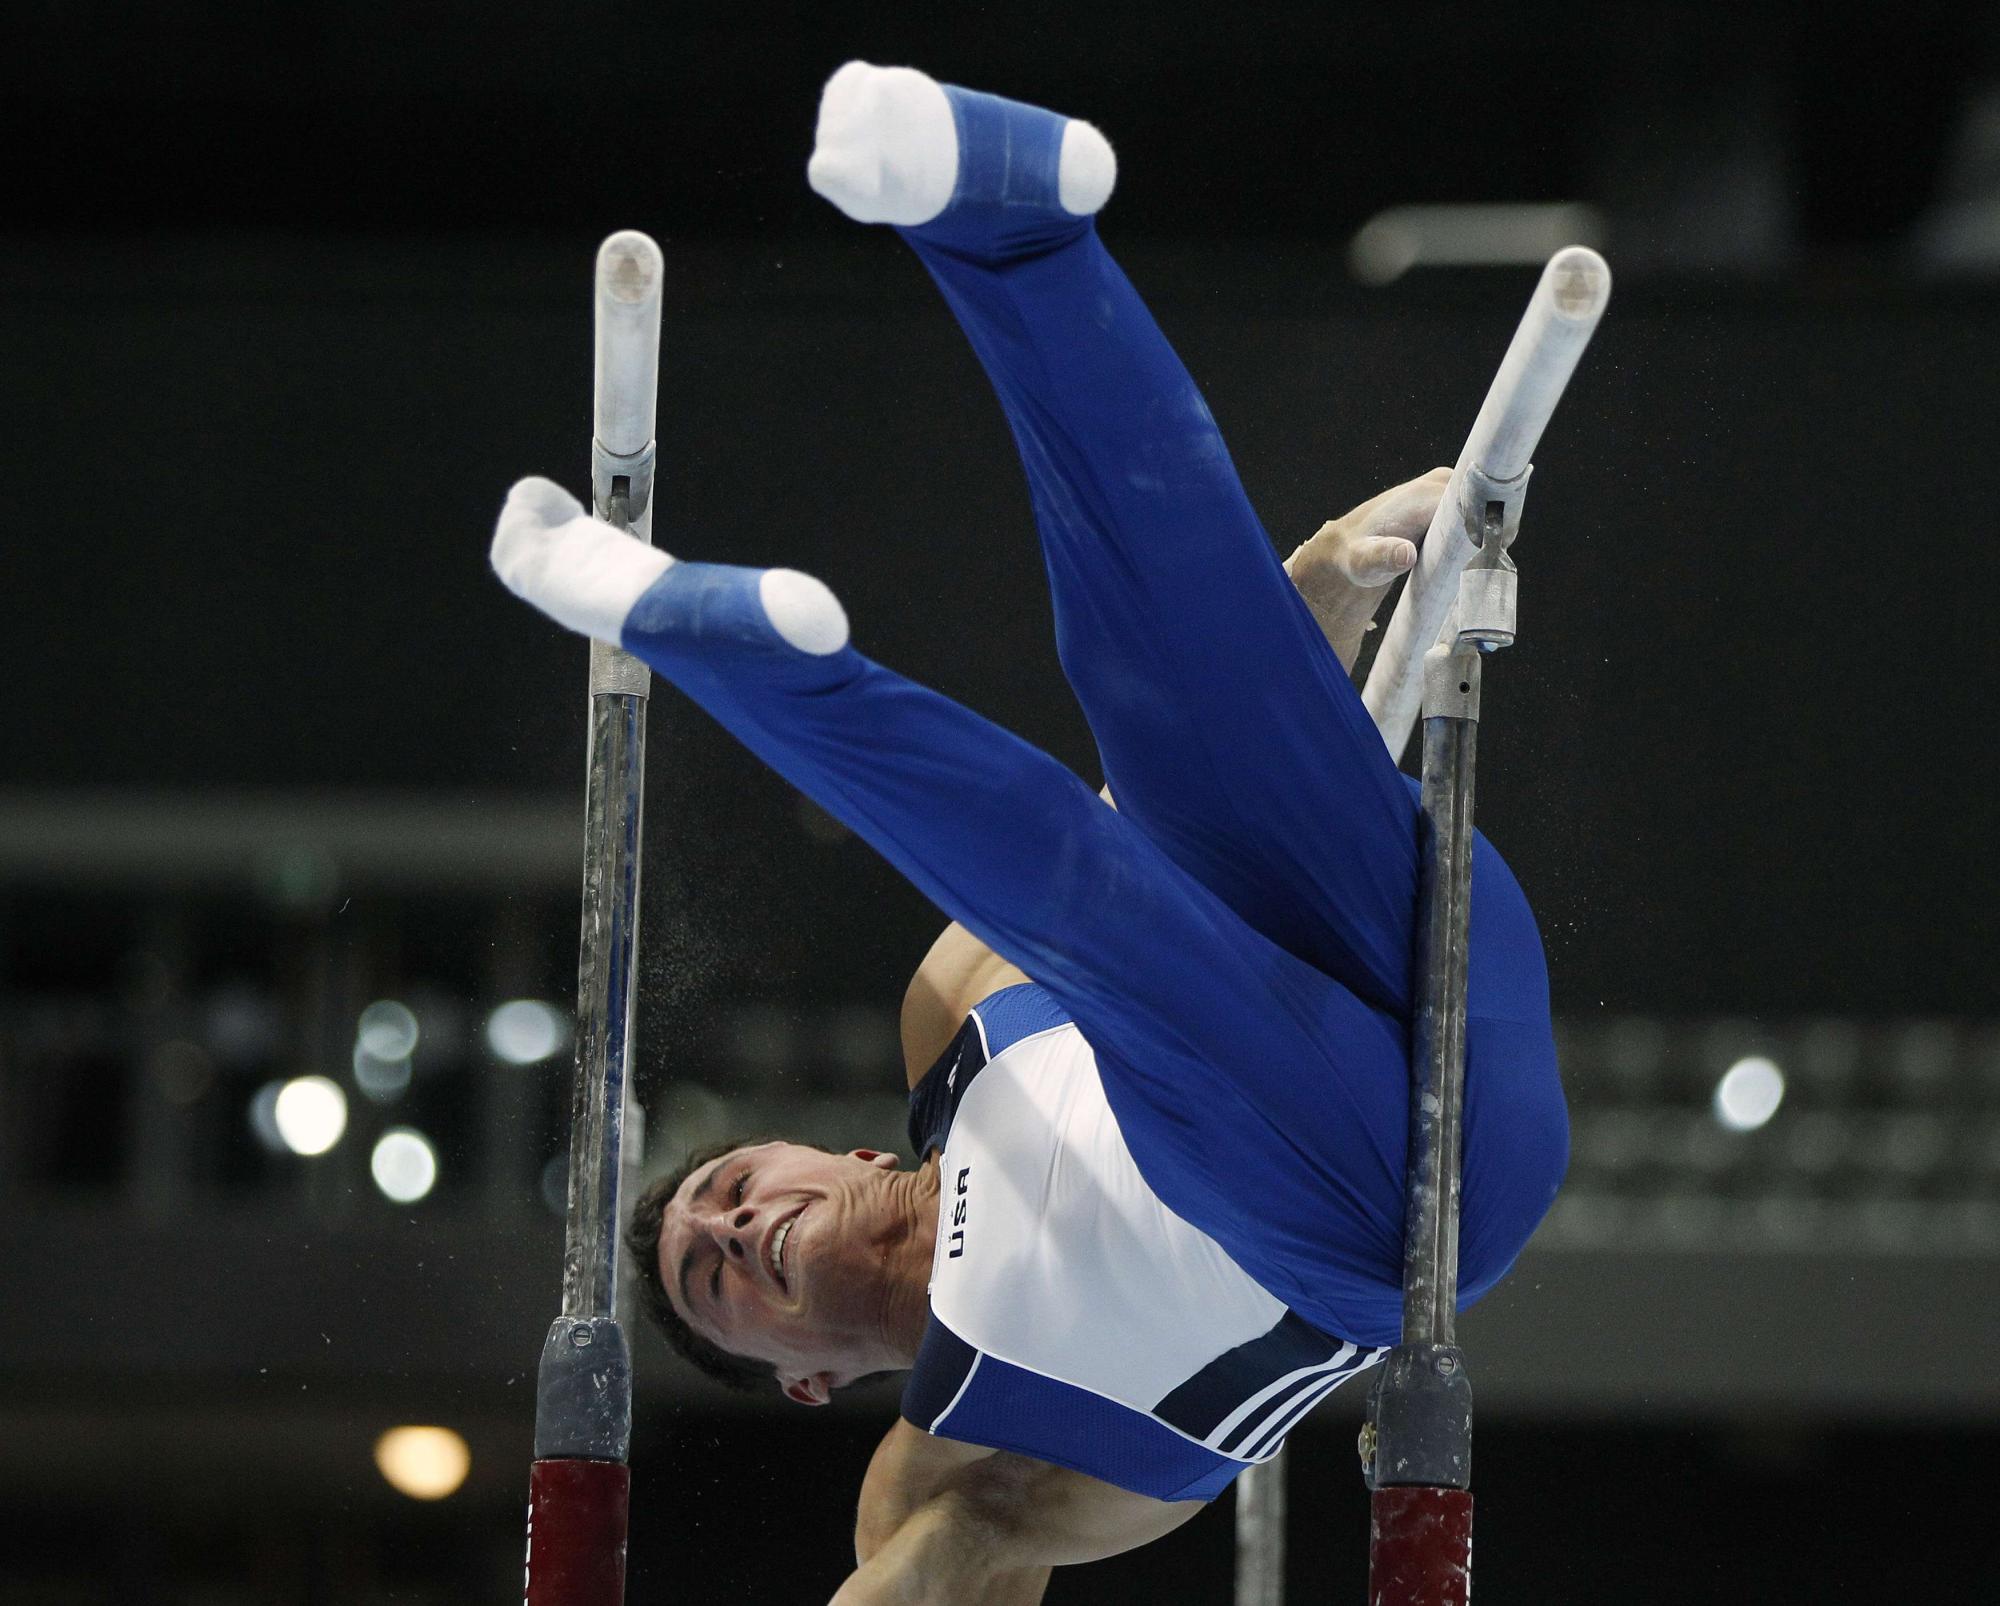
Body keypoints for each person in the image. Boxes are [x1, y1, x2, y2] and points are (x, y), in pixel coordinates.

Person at [491, 62, 1569, 1604]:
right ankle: (745, 661)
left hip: (1392, 944)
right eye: (715, 1278)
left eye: (729, 1190)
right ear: (800, 1379)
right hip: (1391, 1204)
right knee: (1108, 930)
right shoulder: (955, 1470)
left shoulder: (954, 1017)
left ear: (841, 1146)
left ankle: (1016, 236)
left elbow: (1159, 808)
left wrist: (1313, 586)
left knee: (1135, 743)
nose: (737, 1227)